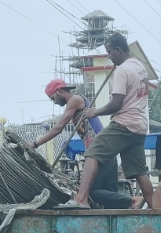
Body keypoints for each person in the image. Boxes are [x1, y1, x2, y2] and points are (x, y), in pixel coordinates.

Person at [65, 32, 155, 209]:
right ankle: (157, 209)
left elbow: (116, 103)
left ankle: (81, 199)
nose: (108, 56)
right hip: (140, 127)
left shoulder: (122, 70)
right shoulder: (140, 68)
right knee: (139, 171)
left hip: (124, 123)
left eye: (109, 52)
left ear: (118, 50)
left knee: (93, 153)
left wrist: (95, 112)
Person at [31, 78, 101, 151]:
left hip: (99, 143)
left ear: (60, 91)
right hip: (95, 145)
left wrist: (35, 144)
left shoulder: (74, 100)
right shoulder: (74, 103)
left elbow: (58, 128)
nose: (54, 102)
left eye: (53, 98)